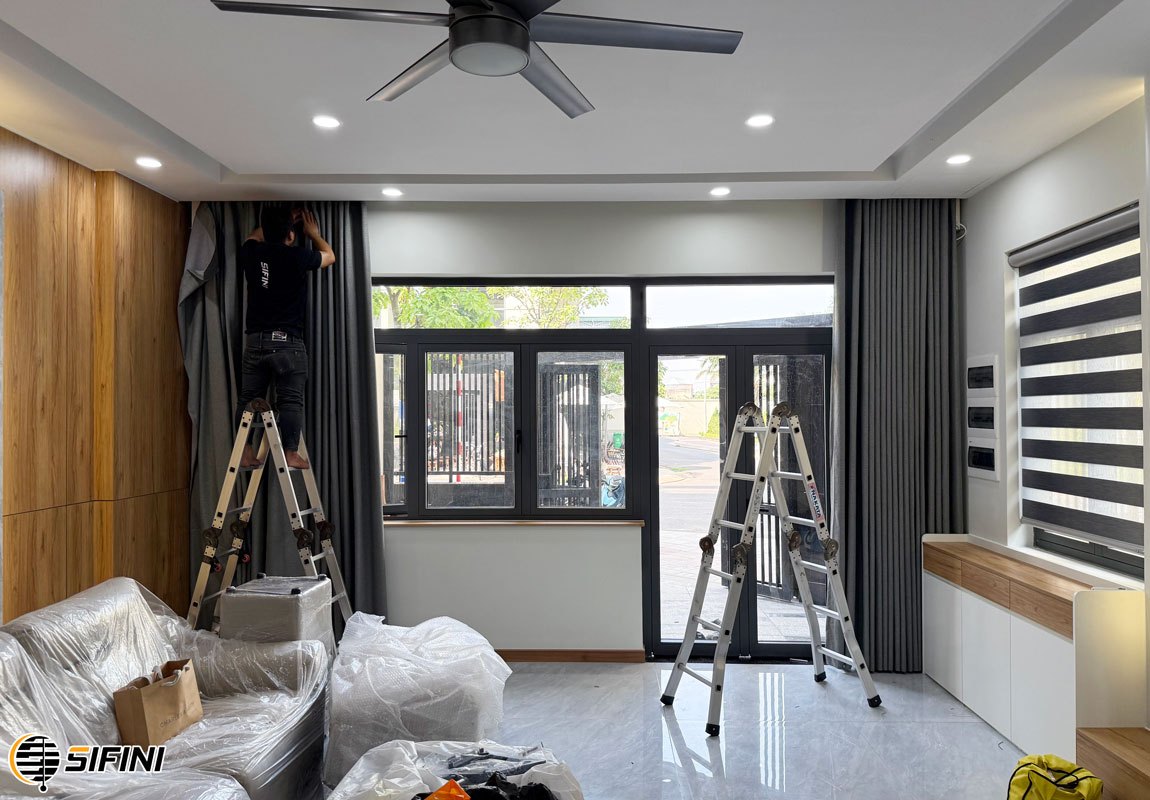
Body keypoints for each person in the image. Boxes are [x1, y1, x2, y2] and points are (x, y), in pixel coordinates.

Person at [235, 204, 336, 469]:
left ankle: (244, 451)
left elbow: (253, 236)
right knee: (290, 400)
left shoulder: (252, 252)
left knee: (248, 399)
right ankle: (291, 451)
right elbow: (329, 257)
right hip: (287, 343)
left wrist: (278, 223)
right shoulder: (298, 256)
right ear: (291, 235)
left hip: (256, 341)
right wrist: (313, 233)